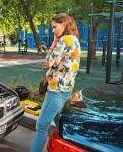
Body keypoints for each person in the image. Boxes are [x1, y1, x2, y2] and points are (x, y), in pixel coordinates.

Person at [30, 13, 81, 152]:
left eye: (54, 27)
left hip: (56, 93)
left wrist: (53, 43)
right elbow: (59, 65)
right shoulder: (74, 40)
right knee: (61, 127)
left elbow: (49, 62)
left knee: (41, 127)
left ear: (64, 24)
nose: (53, 30)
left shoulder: (65, 40)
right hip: (66, 91)